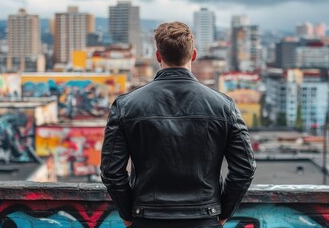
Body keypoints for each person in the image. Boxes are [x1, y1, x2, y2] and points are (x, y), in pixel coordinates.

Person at [100, 21, 256, 228]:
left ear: (158, 56)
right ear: (193, 55)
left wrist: (129, 214)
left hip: (147, 220)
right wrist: (222, 213)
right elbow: (245, 168)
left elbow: (111, 171)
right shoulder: (224, 106)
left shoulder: (126, 106)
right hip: (204, 218)